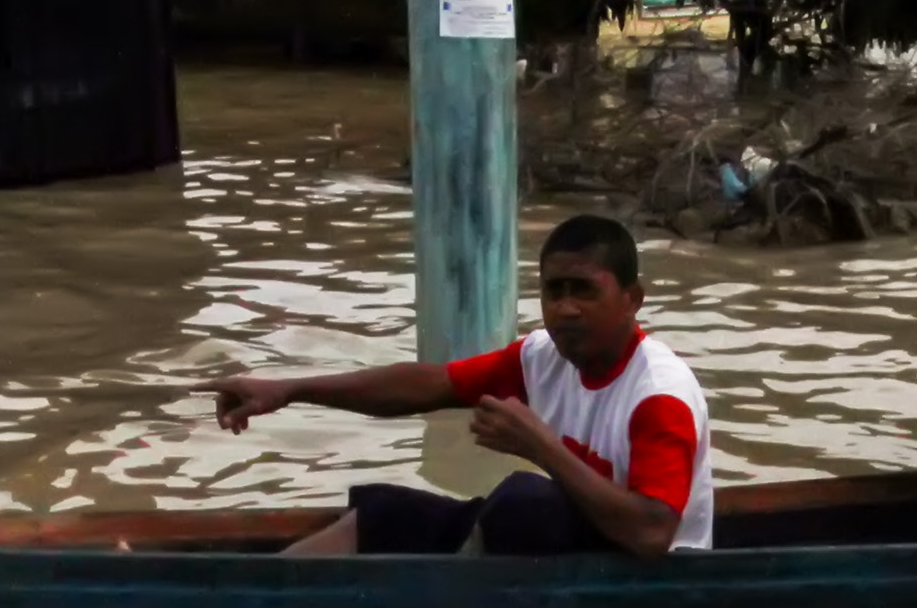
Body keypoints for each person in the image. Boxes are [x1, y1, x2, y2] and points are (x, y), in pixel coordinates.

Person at [209, 213, 712, 557]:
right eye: (553, 291)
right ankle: (257, 590)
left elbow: (652, 535)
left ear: (632, 299)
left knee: (525, 501)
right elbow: (426, 385)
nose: (564, 308)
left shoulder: (658, 396)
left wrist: (542, 446)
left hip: (645, 568)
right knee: (386, 513)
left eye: (584, 291)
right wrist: (290, 390)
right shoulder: (542, 356)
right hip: (576, 542)